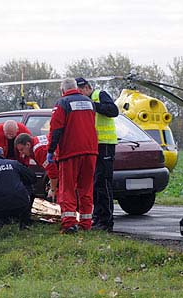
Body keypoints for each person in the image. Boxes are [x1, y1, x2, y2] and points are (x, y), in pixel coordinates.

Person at [47, 78, 98, 233]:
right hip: (90, 151)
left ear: (63, 90)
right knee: (86, 189)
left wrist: (51, 150)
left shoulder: (62, 103)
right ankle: (86, 223)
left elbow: (56, 129)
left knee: (67, 189)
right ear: (77, 88)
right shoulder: (89, 103)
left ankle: (69, 224)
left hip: (70, 152)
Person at [76, 77, 119, 232]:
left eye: (81, 91)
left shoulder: (99, 95)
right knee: (95, 184)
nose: (79, 94)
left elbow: (114, 111)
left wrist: (93, 105)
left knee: (103, 184)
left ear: (87, 87)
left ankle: (106, 222)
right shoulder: (82, 102)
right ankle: (97, 218)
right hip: (92, 147)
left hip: (105, 145)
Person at [0, 147, 36, 230]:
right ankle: (24, 221)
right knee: (30, 190)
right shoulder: (14, 163)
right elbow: (32, 178)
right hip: (20, 205)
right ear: (1, 155)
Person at [14, 133, 59, 202]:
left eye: (22, 149)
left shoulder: (38, 150)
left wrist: (53, 189)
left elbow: (53, 172)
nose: (21, 153)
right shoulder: (36, 141)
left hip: (65, 163)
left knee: (63, 196)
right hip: (65, 160)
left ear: (28, 145)